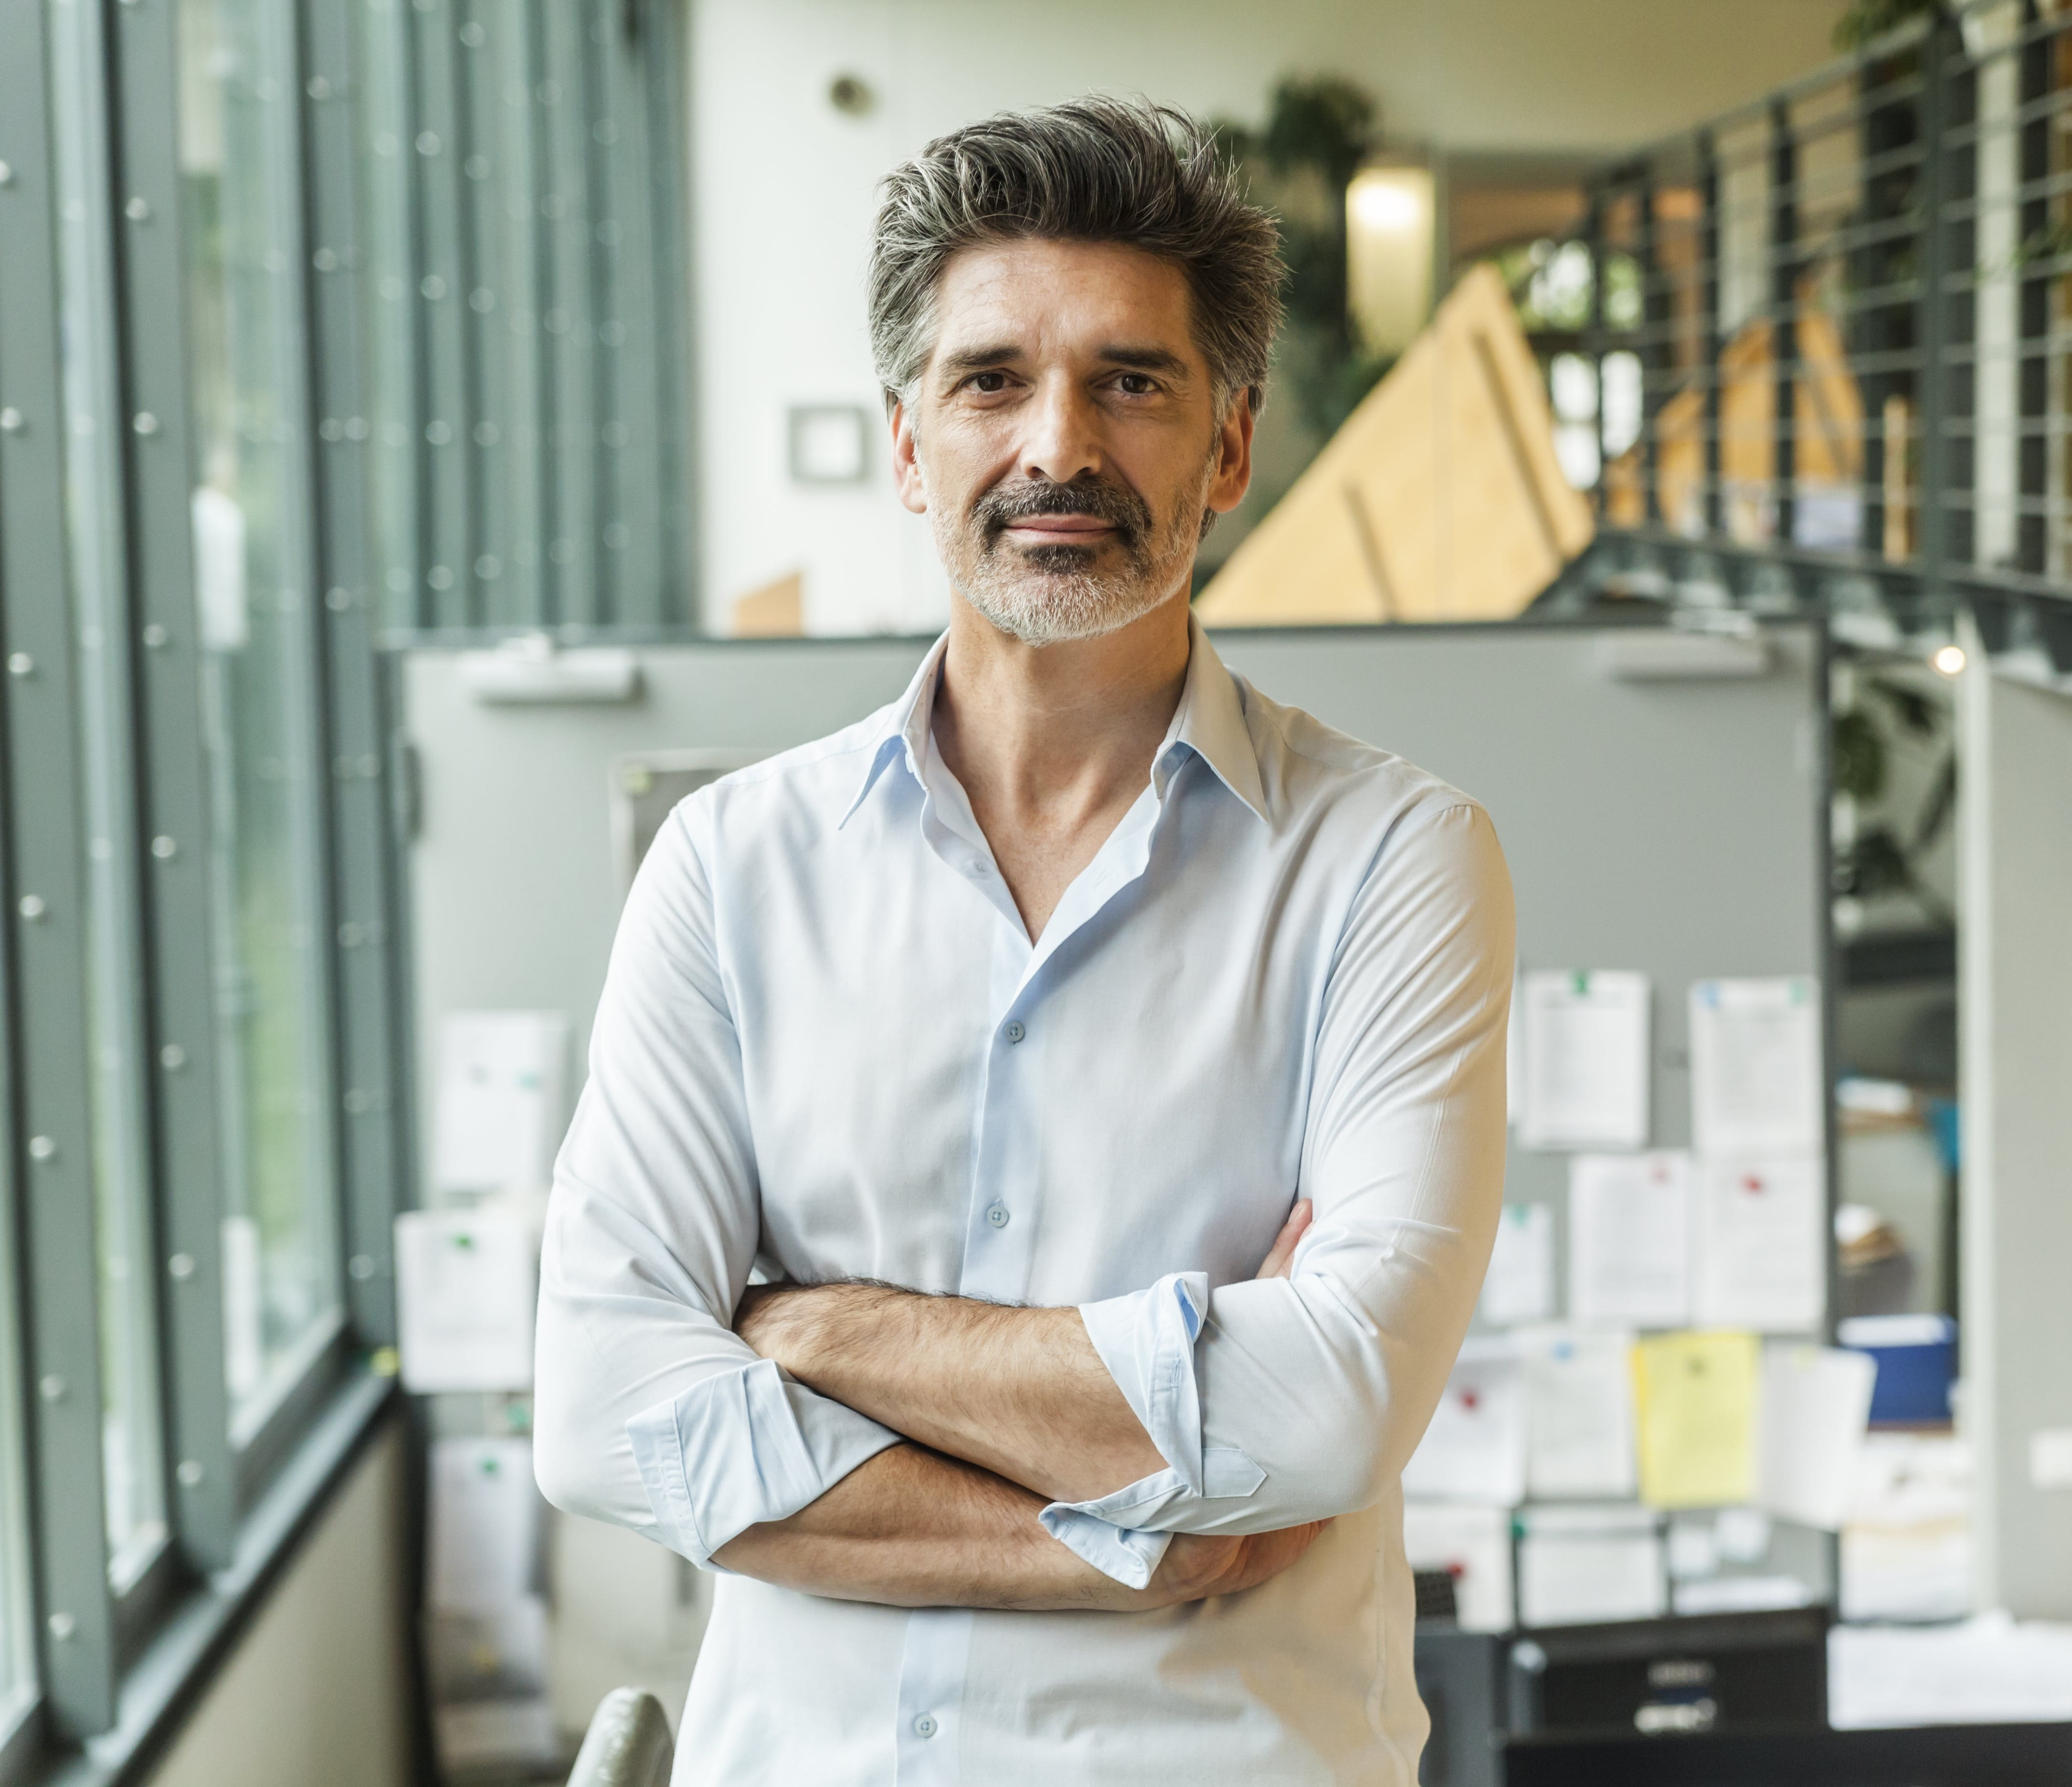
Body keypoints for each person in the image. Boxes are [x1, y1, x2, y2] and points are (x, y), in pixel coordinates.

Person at [532, 95, 1517, 1783]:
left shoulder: (1393, 863)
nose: (1059, 445)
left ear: (1227, 448)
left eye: (1131, 381)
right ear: (911, 444)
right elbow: (604, 1410)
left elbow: (1335, 1403)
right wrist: (1143, 1544)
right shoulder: (731, 866)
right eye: (992, 379)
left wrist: (817, 1331)